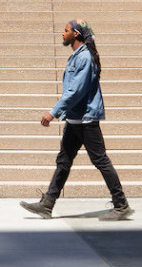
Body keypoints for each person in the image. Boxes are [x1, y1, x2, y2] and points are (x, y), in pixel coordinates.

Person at [23, 19, 130, 217]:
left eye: (66, 31)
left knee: (100, 161)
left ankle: (121, 204)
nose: (63, 34)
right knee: (63, 161)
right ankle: (47, 204)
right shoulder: (76, 56)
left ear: (77, 34)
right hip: (74, 120)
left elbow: (75, 92)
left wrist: (53, 112)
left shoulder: (85, 58)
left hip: (87, 120)